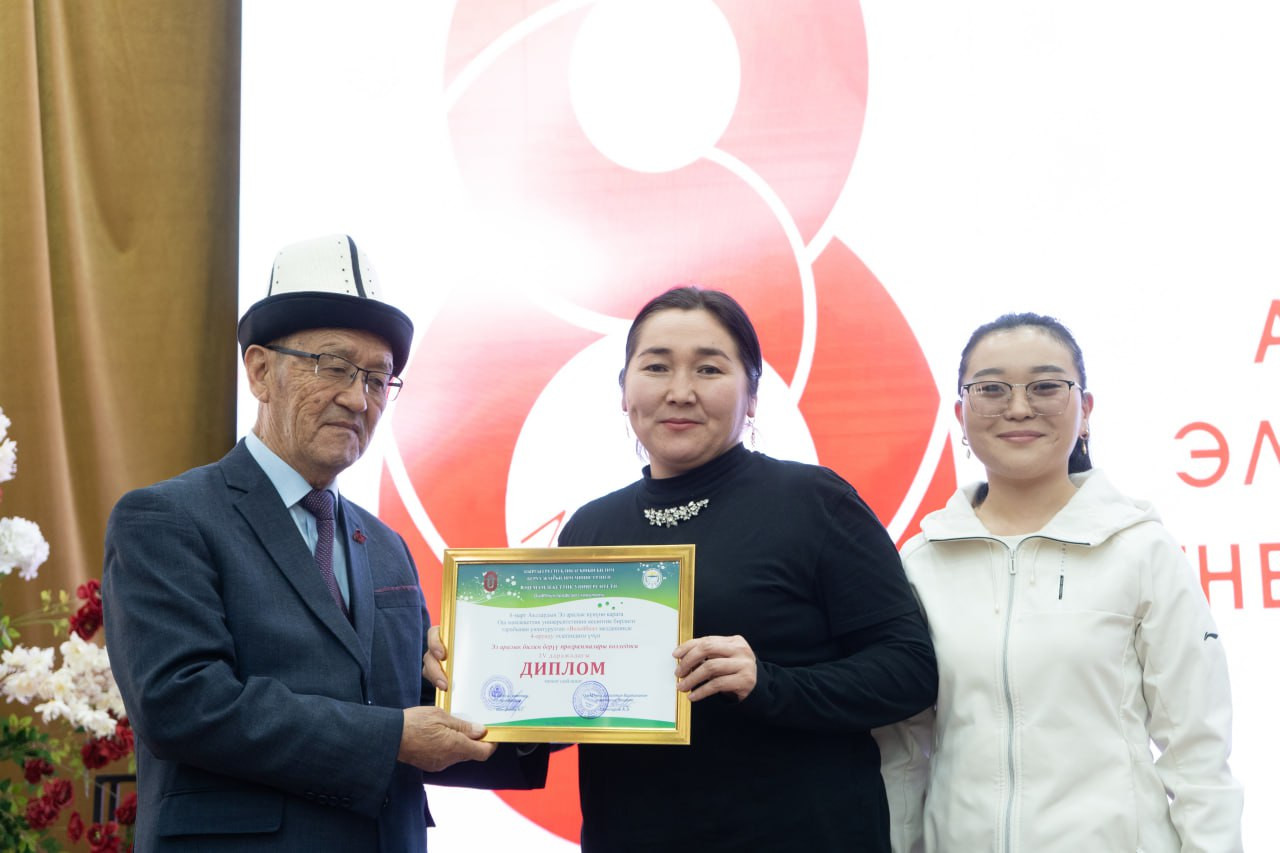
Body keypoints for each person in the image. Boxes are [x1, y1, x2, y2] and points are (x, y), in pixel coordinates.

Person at [102, 234, 546, 852]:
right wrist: (391, 738)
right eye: (333, 366)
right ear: (260, 372)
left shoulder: (385, 545)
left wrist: (548, 695)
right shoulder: (167, 518)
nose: (357, 398)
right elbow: (183, 702)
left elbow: (416, 711)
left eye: (378, 379)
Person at [548, 286, 937, 851]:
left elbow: (909, 671)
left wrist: (768, 683)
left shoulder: (815, 502)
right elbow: (569, 698)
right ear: (624, 390)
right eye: (656, 367)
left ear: (752, 395)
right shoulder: (590, 529)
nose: (680, 391)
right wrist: (476, 671)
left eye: (709, 369)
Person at [874, 313, 1243, 852]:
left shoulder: (1141, 549)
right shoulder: (922, 561)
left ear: (1085, 409)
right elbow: (905, 752)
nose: (1019, 407)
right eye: (991, 389)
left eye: (1045, 386)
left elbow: (1198, 754)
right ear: (961, 414)